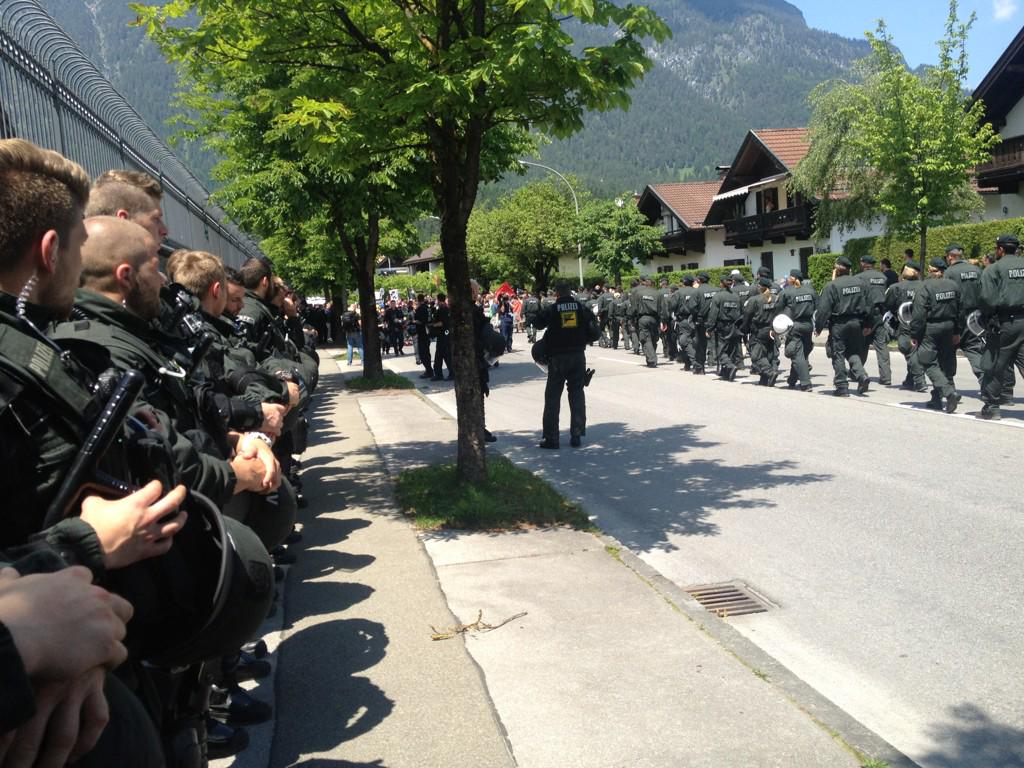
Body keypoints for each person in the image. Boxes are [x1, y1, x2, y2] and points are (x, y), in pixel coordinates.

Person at [533, 281, 599, 448]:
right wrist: (582, 339)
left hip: (557, 358)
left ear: (557, 294)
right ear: (570, 293)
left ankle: (551, 439)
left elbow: (537, 323)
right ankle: (576, 435)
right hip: (577, 356)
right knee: (576, 394)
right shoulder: (581, 308)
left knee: (553, 397)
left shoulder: (553, 308)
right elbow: (595, 333)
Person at [977, 233, 1024, 420]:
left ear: (1000, 249)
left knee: (994, 363)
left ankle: (992, 406)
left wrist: (988, 318)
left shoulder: (993, 269)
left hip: (1005, 322)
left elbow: (987, 299)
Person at [815, 256, 875, 396]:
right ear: (849, 270)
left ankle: (841, 386)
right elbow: (870, 306)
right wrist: (868, 324)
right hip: (857, 323)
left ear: (836, 270)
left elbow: (823, 310)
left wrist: (818, 327)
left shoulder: (832, 285)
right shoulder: (861, 283)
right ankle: (862, 375)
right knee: (853, 352)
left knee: (838, 354)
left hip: (839, 324)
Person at [911, 258, 962, 413]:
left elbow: (919, 314)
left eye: (930, 270)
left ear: (934, 271)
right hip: (949, 326)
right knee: (945, 361)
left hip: (931, 328)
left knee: (927, 360)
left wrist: (915, 334)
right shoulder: (954, 286)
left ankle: (948, 392)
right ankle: (936, 398)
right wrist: (957, 331)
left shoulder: (925, 286)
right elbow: (961, 310)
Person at [884, 261, 928, 392]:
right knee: (915, 350)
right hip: (923, 322)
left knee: (907, 348)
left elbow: (888, 305)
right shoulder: (925, 285)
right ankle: (910, 380)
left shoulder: (895, 287)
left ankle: (920, 381)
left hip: (905, 323)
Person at [776, 269, 816, 390]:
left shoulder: (787, 292)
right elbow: (817, 307)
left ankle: (805, 383)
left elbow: (778, 309)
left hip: (794, 326)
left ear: (794, 278)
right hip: (808, 325)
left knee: (796, 354)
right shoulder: (811, 290)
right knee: (800, 354)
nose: (788, 279)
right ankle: (792, 380)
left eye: (789, 277)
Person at [858, 255, 892, 385]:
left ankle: (858, 371)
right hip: (879, 314)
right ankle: (886, 377)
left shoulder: (859, 278)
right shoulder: (883, 277)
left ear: (863, 264)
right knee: (881, 346)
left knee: (862, 345)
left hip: (865, 315)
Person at [744, 276, 779, 385]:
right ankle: (764, 379)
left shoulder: (754, 300)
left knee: (756, 356)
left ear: (760, 287)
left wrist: (744, 330)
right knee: (768, 354)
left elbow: (747, 316)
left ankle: (769, 372)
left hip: (758, 331)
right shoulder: (776, 298)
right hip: (772, 330)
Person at [708, 274, 743, 381]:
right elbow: (741, 312)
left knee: (721, 351)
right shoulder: (736, 296)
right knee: (731, 349)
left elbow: (713, 314)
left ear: (722, 283)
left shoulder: (718, 296)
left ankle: (730, 366)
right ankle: (727, 373)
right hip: (734, 326)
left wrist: (709, 328)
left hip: (722, 326)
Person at [632, 276, 661, 368]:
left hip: (643, 318)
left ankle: (652, 360)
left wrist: (632, 318)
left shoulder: (639, 294)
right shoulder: (658, 294)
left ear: (646, 284)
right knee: (653, 339)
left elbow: (634, 308)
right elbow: (662, 309)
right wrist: (662, 321)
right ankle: (651, 357)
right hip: (655, 319)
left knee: (645, 339)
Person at [430, 292, 453, 380]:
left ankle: (451, 372)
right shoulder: (446, 308)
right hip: (444, 334)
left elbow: (442, 323)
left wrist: (433, 325)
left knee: (445, 355)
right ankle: (439, 374)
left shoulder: (442, 309)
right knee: (439, 355)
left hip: (443, 334)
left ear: (439, 300)